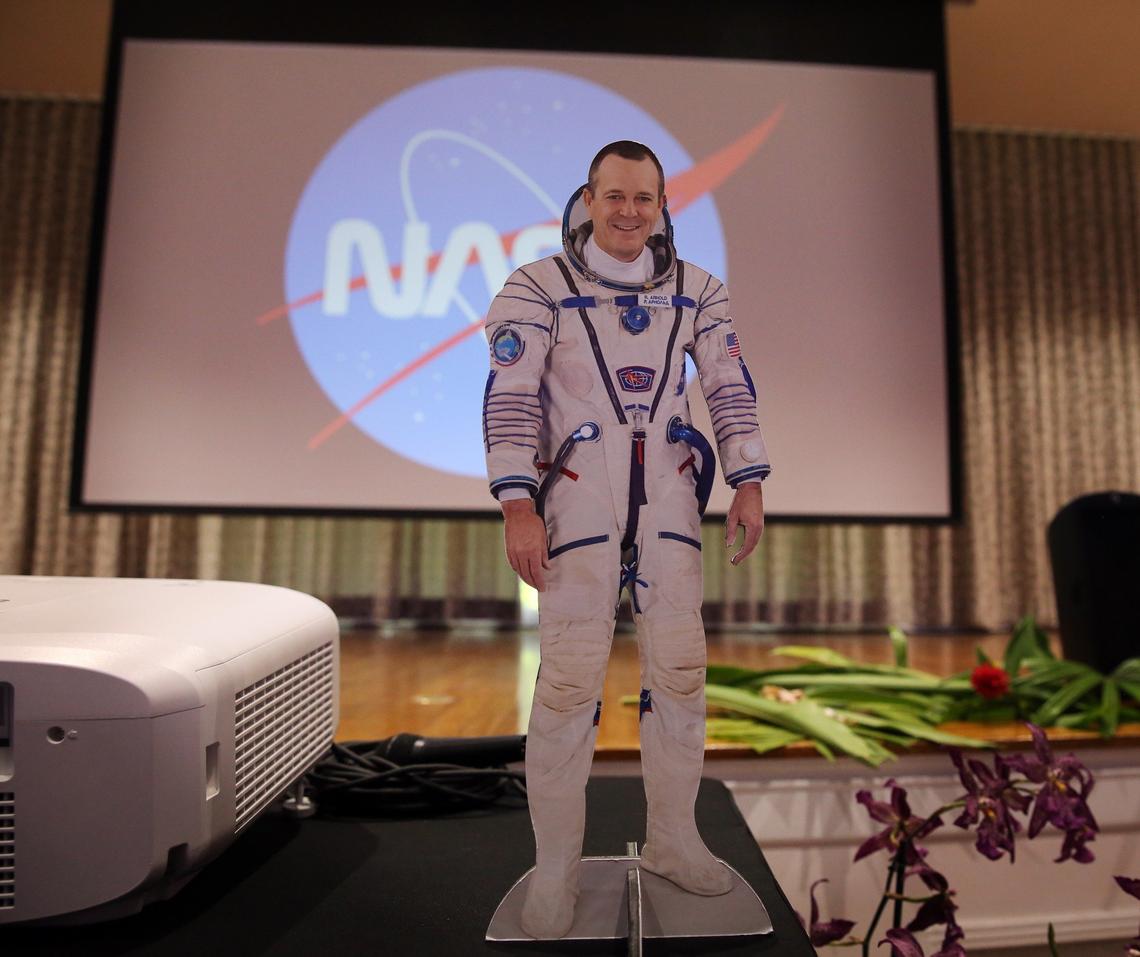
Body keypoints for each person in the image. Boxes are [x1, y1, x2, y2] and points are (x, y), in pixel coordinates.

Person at [482, 140, 770, 939]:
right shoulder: (537, 287)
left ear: (661, 205)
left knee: (680, 672)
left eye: (644, 198)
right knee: (568, 684)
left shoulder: (697, 291)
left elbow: (728, 384)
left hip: (669, 494)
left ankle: (674, 839)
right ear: (589, 198)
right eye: (614, 195)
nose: (629, 212)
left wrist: (748, 480)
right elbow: (510, 397)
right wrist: (516, 505)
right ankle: (556, 868)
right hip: (577, 497)